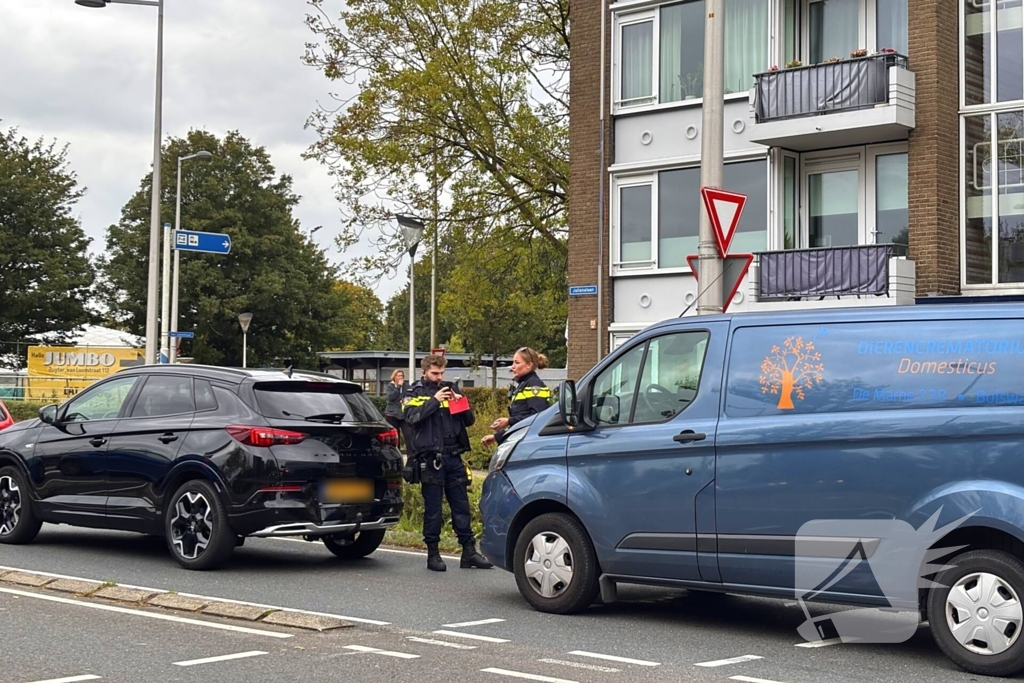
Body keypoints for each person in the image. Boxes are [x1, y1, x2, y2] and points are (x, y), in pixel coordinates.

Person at [403, 354, 493, 572]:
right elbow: (412, 418)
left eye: (441, 373)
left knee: (461, 506)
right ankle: (433, 554)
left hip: (453, 457)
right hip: (431, 458)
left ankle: (469, 552)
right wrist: (435, 400)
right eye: (435, 373)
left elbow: (469, 421)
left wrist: (458, 402)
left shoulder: (452, 389)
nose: (439, 377)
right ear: (424, 372)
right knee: (433, 509)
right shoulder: (414, 392)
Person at [483, 347, 552, 447]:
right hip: (525, 441)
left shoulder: (533, 385)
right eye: (513, 363)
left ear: (529, 365)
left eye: (517, 363)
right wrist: (496, 437)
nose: (512, 367)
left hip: (530, 444)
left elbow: (536, 418)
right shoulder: (524, 384)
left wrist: (508, 421)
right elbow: (520, 423)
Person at [384, 369, 412, 457]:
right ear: (394, 377)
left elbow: (409, 396)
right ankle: (396, 455)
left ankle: (410, 456)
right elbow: (390, 397)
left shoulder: (407, 386)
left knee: (408, 435)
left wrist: (405, 400)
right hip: (392, 415)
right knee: (396, 437)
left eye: (402, 376)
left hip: (403, 415)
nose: (400, 377)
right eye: (398, 375)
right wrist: (398, 387)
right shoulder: (390, 386)